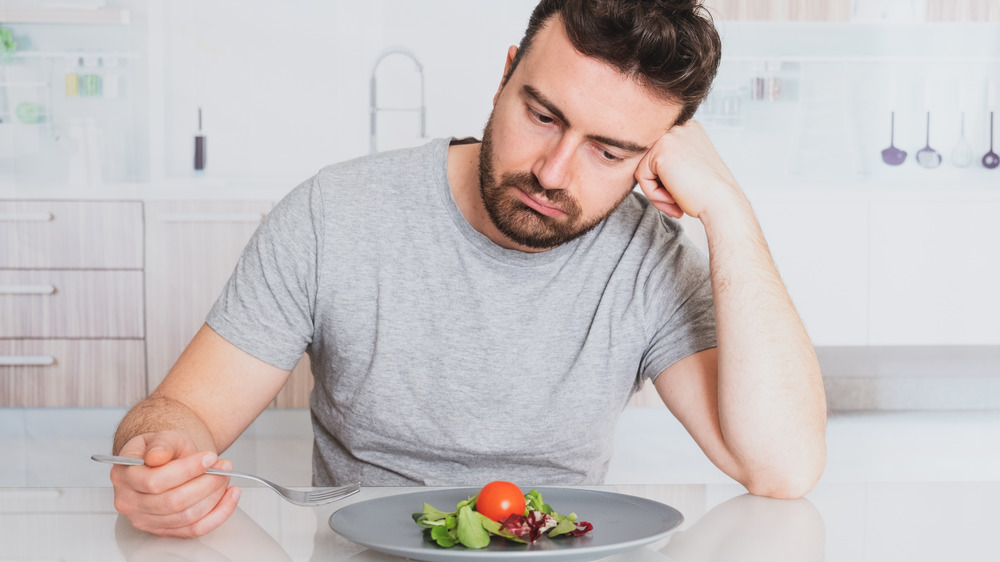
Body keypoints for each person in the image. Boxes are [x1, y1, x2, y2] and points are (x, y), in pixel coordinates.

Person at [109, 0, 827, 538]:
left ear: (656, 156)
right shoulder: (334, 214)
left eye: (608, 152)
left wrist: (728, 209)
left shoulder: (650, 261)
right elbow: (182, 413)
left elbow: (783, 468)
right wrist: (161, 455)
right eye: (542, 116)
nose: (552, 172)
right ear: (506, 73)